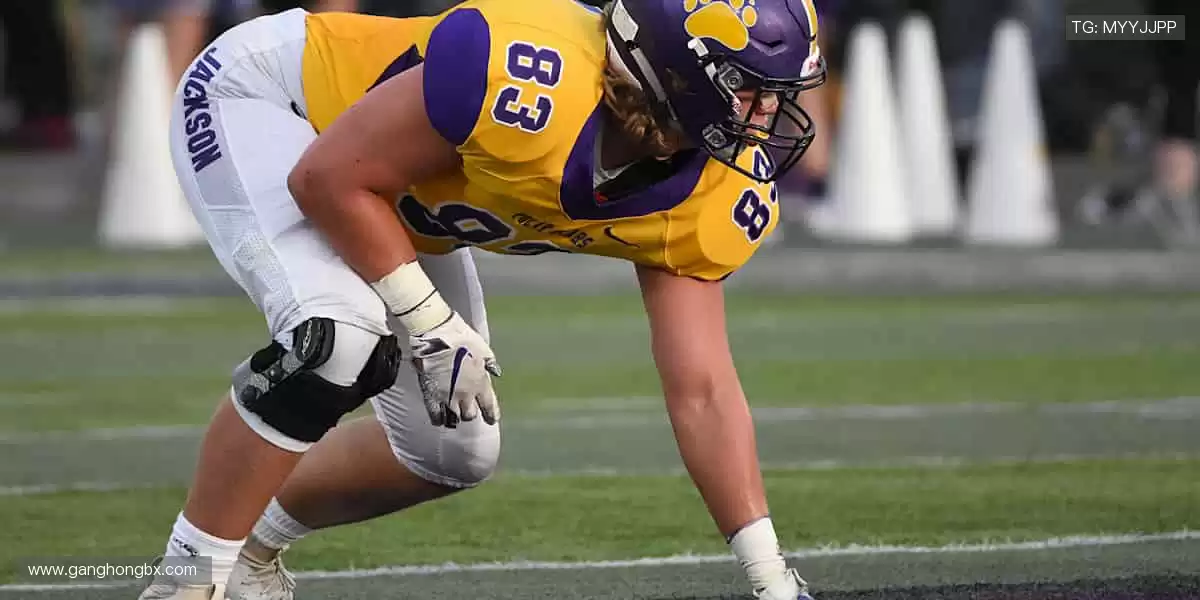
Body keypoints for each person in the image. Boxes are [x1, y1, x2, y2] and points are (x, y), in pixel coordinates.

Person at [138, 0, 826, 598]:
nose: (769, 114)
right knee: (337, 338)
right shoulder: (530, 72)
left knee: (451, 450)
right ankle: (186, 581)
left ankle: (250, 547)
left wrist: (767, 574)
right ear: (676, 71)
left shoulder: (714, 190)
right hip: (275, 104)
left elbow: (703, 390)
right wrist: (427, 318)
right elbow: (326, 180)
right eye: (749, 88)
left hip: (386, 194)